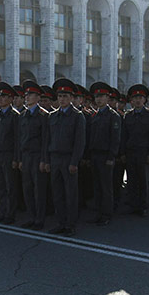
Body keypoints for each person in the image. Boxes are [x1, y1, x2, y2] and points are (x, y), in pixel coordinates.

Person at [47, 78, 86, 236]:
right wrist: (47, 160)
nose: (62, 99)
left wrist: (74, 162)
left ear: (71, 98)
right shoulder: (53, 116)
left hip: (68, 159)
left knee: (70, 193)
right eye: (60, 96)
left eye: (65, 96)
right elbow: (47, 140)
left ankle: (71, 224)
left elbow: (79, 142)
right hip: (55, 158)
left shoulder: (77, 116)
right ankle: (61, 222)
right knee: (57, 193)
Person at [87, 82, 122, 225]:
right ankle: (98, 212)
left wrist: (111, 157)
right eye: (97, 97)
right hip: (95, 155)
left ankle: (106, 214)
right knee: (97, 186)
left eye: (102, 97)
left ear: (108, 98)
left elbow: (115, 139)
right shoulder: (94, 116)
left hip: (105, 156)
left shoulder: (113, 116)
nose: (99, 99)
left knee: (106, 187)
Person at [121, 84, 149, 217]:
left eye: (140, 98)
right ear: (131, 101)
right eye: (135, 98)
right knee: (132, 180)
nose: (137, 100)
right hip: (131, 152)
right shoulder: (128, 116)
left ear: (144, 100)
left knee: (143, 180)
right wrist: (123, 153)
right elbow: (124, 136)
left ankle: (142, 206)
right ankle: (133, 204)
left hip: (143, 152)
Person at [18, 80, 49, 230]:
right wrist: (19, 159)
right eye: (26, 95)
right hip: (26, 156)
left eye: (31, 95)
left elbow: (45, 140)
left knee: (39, 190)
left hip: (37, 156)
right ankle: (31, 216)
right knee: (27, 188)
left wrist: (44, 160)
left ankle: (39, 218)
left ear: (38, 98)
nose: (27, 97)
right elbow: (19, 139)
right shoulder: (23, 115)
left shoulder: (44, 116)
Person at [0, 82, 20, 224]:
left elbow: (16, 139)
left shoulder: (15, 116)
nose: (0, 99)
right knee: (0, 186)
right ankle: (2, 211)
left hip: (9, 155)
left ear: (11, 99)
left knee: (10, 186)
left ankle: (10, 213)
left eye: (4, 97)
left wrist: (16, 158)